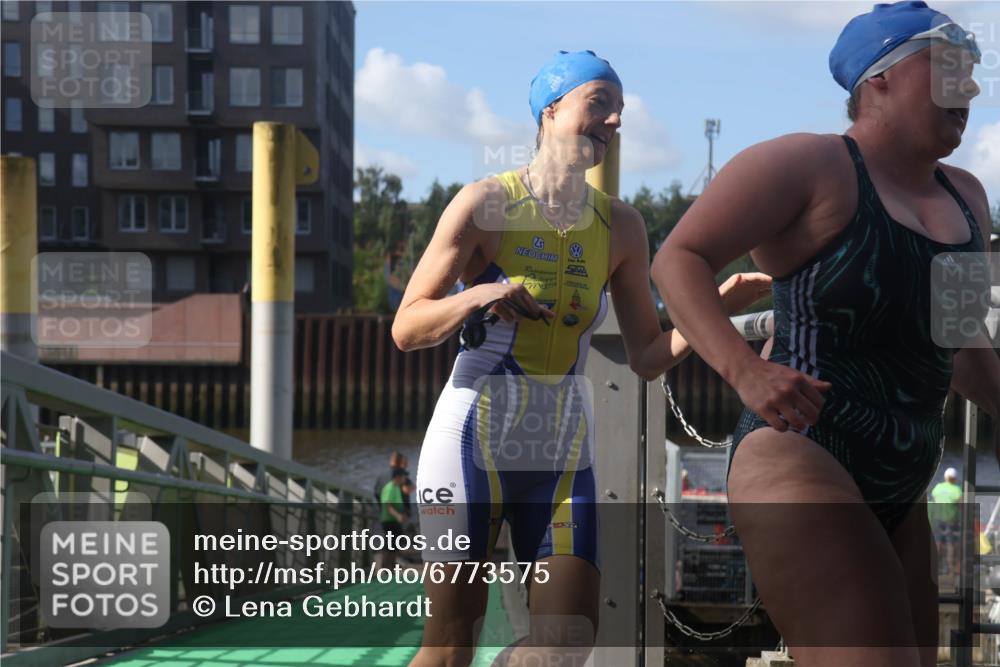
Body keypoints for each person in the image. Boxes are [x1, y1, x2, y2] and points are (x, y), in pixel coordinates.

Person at [392, 50, 771, 667]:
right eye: (600, 104)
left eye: (619, 110)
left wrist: (713, 313)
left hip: (563, 447)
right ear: (551, 109)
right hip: (470, 444)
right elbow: (407, 328)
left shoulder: (621, 225)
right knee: (448, 646)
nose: (615, 120)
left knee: (566, 646)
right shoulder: (485, 203)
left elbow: (648, 356)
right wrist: (482, 293)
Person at [652, 3, 1000, 666]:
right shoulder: (809, 166)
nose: (972, 90)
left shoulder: (967, 199)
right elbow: (679, 260)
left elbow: (963, 353)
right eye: (951, 70)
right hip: (800, 456)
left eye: (974, 74)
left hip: (903, 483)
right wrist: (746, 372)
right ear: (881, 79)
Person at [929, 467, 962, 576]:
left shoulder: (938, 487)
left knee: (938, 543)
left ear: (945, 477)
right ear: (954, 478)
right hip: (951, 520)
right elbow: (961, 503)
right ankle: (951, 569)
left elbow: (933, 496)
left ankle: (936, 568)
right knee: (951, 544)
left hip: (938, 519)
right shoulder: (956, 489)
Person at [379, 467, 409, 569]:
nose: (405, 478)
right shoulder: (390, 487)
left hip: (395, 520)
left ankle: (392, 564)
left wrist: (403, 515)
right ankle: (386, 567)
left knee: (397, 543)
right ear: (397, 477)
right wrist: (398, 516)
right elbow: (388, 505)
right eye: (403, 476)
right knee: (390, 544)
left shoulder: (397, 487)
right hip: (389, 521)